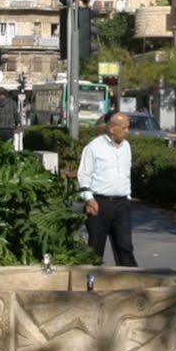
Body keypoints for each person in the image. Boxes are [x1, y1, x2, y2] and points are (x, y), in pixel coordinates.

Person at [76, 111, 138, 266]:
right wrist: (89, 199)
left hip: (122, 204)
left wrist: (128, 198)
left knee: (125, 247)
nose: (127, 131)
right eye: (123, 128)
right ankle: (90, 284)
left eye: (127, 128)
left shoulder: (126, 147)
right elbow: (84, 174)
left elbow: (126, 174)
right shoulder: (94, 147)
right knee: (95, 249)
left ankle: (130, 283)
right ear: (111, 128)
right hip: (99, 204)